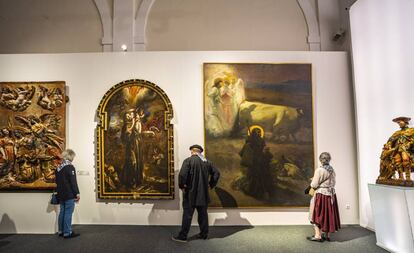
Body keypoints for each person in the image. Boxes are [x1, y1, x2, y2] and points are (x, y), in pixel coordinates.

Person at [172, 144, 220, 242]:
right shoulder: (208, 162)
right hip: (203, 195)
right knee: (203, 215)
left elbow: (182, 175)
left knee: (187, 215)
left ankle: (183, 236)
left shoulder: (188, 161)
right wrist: (211, 184)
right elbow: (217, 173)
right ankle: (204, 234)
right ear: (200, 152)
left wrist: (182, 186)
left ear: (192, 151)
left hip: (190, 193)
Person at [306, 152, 340, 242]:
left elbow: (314, 184)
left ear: (321, 160)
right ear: (329, 159)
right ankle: (327, 235)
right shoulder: (332, 170)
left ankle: (318, 236)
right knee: (328, 215)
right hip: (331, 195)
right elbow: (333, 182)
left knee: (316, 214)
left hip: (321, 195)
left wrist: (311, 183)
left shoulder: (319, 170)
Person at [55, 149, 80, 239]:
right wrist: (77, 193)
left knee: (62, 212)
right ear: (70, 156)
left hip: (61, 194)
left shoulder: (58, 167)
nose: (73, 158)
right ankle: (67, 232)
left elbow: (57, 182)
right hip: (69, 194)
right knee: (68, 212)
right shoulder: (70, 167)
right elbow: (73, 182)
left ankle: (61, 231)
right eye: (73, 156)